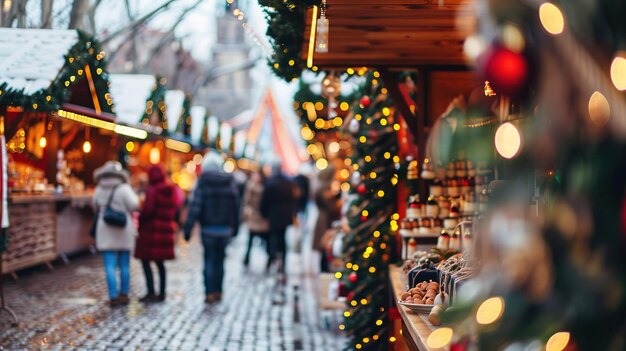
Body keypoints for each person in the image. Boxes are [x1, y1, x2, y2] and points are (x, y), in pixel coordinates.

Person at [184, 151, 239, 303]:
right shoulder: (229, 182)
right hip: (225, 230)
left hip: (208, 229)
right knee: (220, 262)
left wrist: (188, 228)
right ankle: (218, 291)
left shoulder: (203, 182)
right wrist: (235, 228)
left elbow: (196, 207)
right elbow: (235, 207)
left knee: (209, 260)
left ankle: (209, 292)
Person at [93, 161, 140, 307]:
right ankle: (124, 294)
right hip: (123, 229)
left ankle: (113, 296)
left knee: (110, 265)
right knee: (125, 265)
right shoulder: (124, 188)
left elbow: (94, 205)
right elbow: (135, 205)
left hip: (105, 229)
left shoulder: (99, 188)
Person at [134, 165, 183, 303]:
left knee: (145, 261)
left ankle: (151, 292)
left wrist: (140, 218)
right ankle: (162, 293)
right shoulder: (170, 190)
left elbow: (148, 211)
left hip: (151, 231)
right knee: (160, 263)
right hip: (165, 230)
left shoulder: (152, 191)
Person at [260, 164, 296, 274]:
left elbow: (264, 201)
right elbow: (293, 199)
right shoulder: (288, 184)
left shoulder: (270, 183)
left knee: (272, 239)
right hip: (285, 215)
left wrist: (264, 214)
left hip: (273, 215)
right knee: (282, 239)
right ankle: (282, 262)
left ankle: (272, 259)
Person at [313, 165, 342, 272]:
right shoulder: (324, 189)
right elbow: (332, 207)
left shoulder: (323, 187)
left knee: (326, 250)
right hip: (325, 221)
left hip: (325, 219)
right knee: (326, 248)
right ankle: (324, 275)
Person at [242, 170, 270, 268]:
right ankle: (247, 258)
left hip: (262, 218)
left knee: (266, 240)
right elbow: (246, 201)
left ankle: (269, 257)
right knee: (250, 240)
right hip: (254, 217)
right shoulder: (251, 186)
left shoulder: (265, 186)